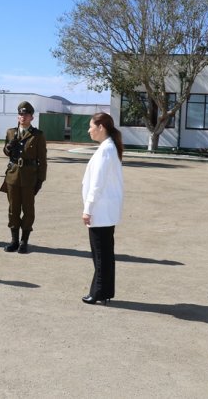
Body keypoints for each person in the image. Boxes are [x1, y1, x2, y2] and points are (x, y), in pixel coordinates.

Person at [81, 112, 124, 305]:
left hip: (100, 209)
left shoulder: (106, 150)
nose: (89, 130)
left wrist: (88, 208)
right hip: (105, 209)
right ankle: (104, 291)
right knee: (105, 253)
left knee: (100, 253)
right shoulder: (107, 148)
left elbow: (97, 184)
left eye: (91, 126)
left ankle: (98, 292)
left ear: (101, 127)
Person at [2, 101, 47, 253]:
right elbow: (6, 152)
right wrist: (9, 147)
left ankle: (24, 241)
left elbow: (42, 159)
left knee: (28, 210)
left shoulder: (37, 135)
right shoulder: (10, 132)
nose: (23, 117)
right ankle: (14, 240)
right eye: (21, 114)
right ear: (18, 116)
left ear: (31, 118)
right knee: (13, 209)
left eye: (26, 115)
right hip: (13, 176)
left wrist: (40, 179)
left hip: (29, 177)